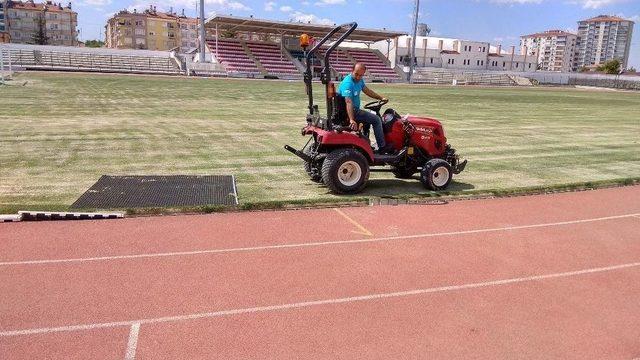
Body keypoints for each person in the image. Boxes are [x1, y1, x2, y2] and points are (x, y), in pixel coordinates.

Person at [338, 63, 390, 153]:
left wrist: (380, 98)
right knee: (376, 119)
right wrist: (351, 119)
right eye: (356, 74)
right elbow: (348, 102)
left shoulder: (359, 81)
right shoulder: (348, 83)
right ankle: (382, 147)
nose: (358, 77)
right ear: (352, 71)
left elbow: (367, 91)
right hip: (350, 111)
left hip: (353, 110)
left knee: (368, 119)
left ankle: (366, 145)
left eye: (361, 75)